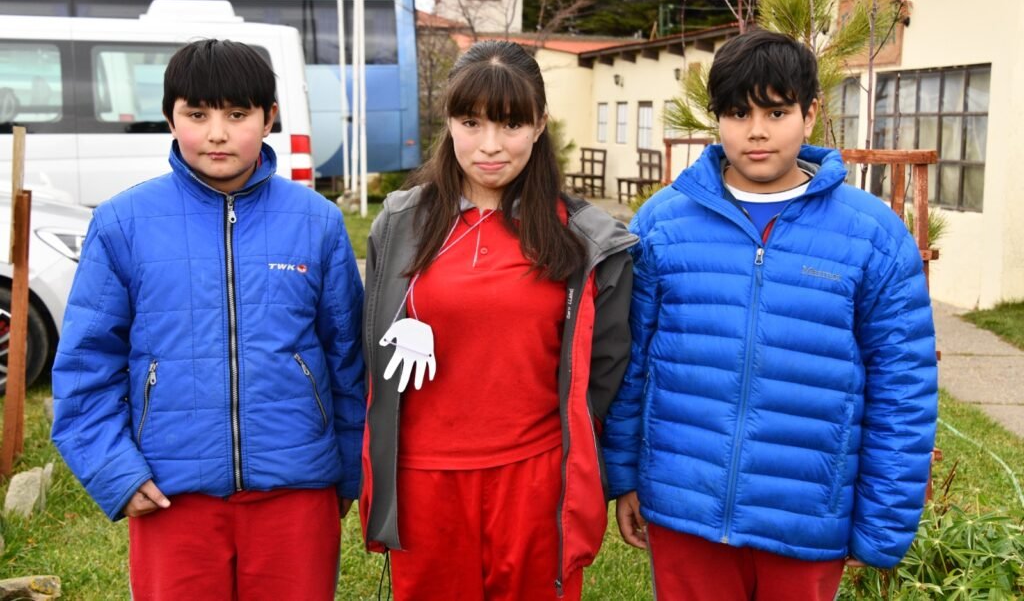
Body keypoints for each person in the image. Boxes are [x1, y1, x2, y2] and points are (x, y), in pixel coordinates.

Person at [601, 29, 938, 600]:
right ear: (717, 120)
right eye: (737, 112)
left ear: (810, 113)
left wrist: (882, 523)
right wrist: (625, 475)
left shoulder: (872, 235)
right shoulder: (662, 223)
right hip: (686, 506)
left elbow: (902, 388)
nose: (756, 131)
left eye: (776, 111)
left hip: (806, 518)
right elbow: (629, 364)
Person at [50, 39, 365, 600]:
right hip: (169, 492)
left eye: (237, 114)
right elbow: (86, 365)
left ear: (269, 117)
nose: (217, 133)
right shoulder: (124, 222)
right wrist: (116, 472)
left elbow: (347, 359)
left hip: (296, 490)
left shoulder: (315, 222)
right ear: (171, 117)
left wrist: (348, 469)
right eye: (197, 114)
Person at [359, 40, 636, 600]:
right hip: (424, 480)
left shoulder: (585, 238)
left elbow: (606, 367)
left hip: (535, 480)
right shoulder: (400, 223)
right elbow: (370, 346)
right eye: (471, 122)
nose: (490, 146)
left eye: (511, 125)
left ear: (540, 126)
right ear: (449, 123)